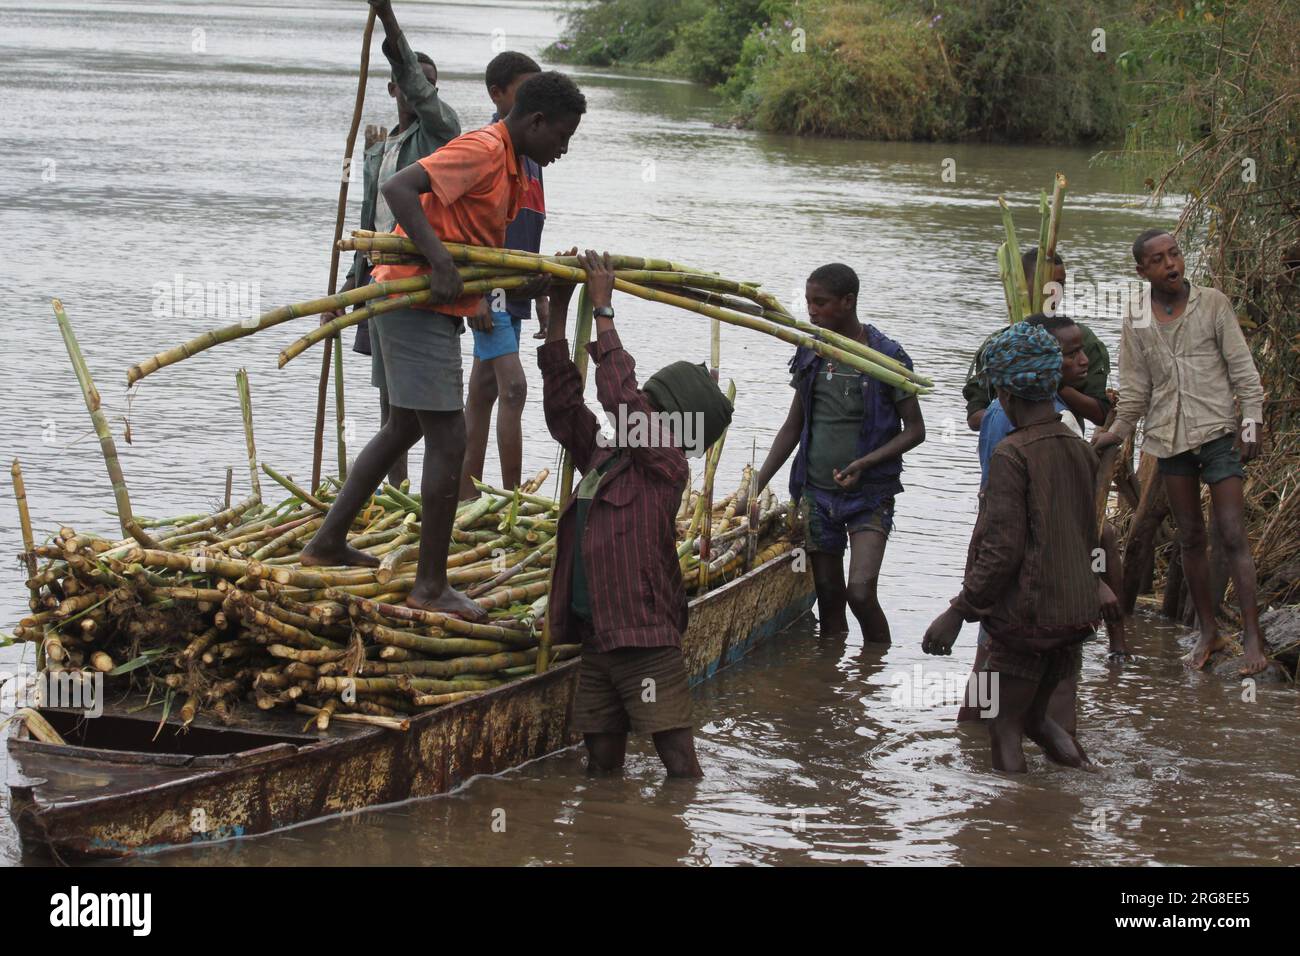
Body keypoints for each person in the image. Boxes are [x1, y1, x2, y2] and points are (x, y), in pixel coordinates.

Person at [299, 71, 587, 624]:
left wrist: (521, 285)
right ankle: (430, 586)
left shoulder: (511, 166)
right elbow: (398, 189)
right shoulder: (482, 148)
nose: (563, 149)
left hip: (431, 304)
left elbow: (472, 241)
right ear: (536, 122)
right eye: (563, 137)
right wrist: (439, 262)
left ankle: (328, 542)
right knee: (449, 435)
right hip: (415, 302)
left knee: (404, 426)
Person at [539, 249, 734, 779]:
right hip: (598, 638)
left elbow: (621, 398)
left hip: (644, 640)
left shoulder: (665, 462)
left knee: (678, 764)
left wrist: (603, 311)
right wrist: (558, 313)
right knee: (601, 767)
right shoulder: (607, 454)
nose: (641, 406)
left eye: (651, 403)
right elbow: (563, 408)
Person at [923, 323, 1118, 773]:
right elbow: (1087, 533)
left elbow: (1002, 550)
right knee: (1036, 718)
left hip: (1030, 616)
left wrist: (959, 610)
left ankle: (1009, 826)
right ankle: (1087, 785)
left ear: (1005, 397)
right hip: (1073, 614)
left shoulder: (1012, 455)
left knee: (1003, 725)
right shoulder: (1077, 446)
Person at [1094, 229, 1268, 675]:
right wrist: (1114, 434)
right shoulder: (1135, 316)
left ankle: (1252, 638)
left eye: (1175, 254)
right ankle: (1209, 633)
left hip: (1217, 434)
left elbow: (1243, 371)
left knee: (1231, 532)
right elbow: (1135, 390)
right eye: (1159, 260)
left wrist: (1251, 423)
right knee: (1189, 537)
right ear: (1142, 271)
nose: (1171, 264)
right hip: (1169, 441)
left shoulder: (1211, 304)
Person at [956, 313, 1129, 725]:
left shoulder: (999, 413)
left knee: (989, 672)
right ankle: (1064, 770)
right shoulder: (1061, 428)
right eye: (1070, 354)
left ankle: (975, 749)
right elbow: (1071, 521)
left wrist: (965, 600)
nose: (1082, 361)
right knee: (1055, 691)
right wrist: (1094, 580)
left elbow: (1000, 514)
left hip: (1002, 571)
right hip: (1041, 584)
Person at [741, 264, 926, 645]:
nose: (811, 311)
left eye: (821, 303)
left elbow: (916, 431)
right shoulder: (812, 351)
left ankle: (874, 672)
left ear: (848, 301)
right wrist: (758, 483)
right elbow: (794, 425)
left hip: (869, 495)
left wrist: (864, 464)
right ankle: (834, 685)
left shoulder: (887, 357)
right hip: (817, 493)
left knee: (859, 593)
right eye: (809, 302)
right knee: (828, 595)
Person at [322, 0, 463, 487]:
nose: (417, 92)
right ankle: (396, 489)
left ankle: (427, 491)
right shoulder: (380, 151)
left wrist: (387, 19)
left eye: (426, 85)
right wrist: (343, 294)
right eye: (408, 83)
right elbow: (367, 225)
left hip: (421, 281)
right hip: (378, 279)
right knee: (391, 400)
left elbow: (422, 92)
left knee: (421, 404)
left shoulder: (442, 134)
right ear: (391, 89)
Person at [459, 51, 549, 501]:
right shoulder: (488, 149)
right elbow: (466, 230)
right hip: (491, 289)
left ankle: (466, 492)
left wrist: (543, 301)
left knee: (483, 389)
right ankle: (513, 500)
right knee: (513, 387)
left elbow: (529, 235)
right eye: (524, 88)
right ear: (497, 94)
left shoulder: (532, 154)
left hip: (516, 290)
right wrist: (475, 291)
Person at [963, 248, 1111, 431]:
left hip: (1063, 443)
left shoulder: (1080, 339)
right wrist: (1012, 419)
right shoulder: (1000, 344)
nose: (1055, 292)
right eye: (1047, 284)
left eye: (1060, 284)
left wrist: (1050, 380)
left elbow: (1102, 414)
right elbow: (974, 417)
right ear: (1021, 284)